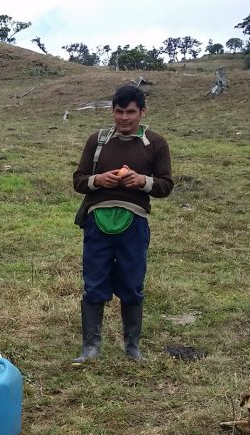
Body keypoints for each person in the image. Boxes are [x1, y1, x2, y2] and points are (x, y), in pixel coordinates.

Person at [71, 84, 173, 363]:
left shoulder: (155, 143)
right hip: (97, 220)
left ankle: (132, 348)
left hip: (134, 222)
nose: (124, 118)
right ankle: (90, 348)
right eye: (119, 112)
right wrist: (97, 180)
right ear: (112, 111)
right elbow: (79, 180)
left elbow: (166, 186)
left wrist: (143, 181)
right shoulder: (98, 141)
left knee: (132, 284)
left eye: (130, 112)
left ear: (142, 112)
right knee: (94, 283)